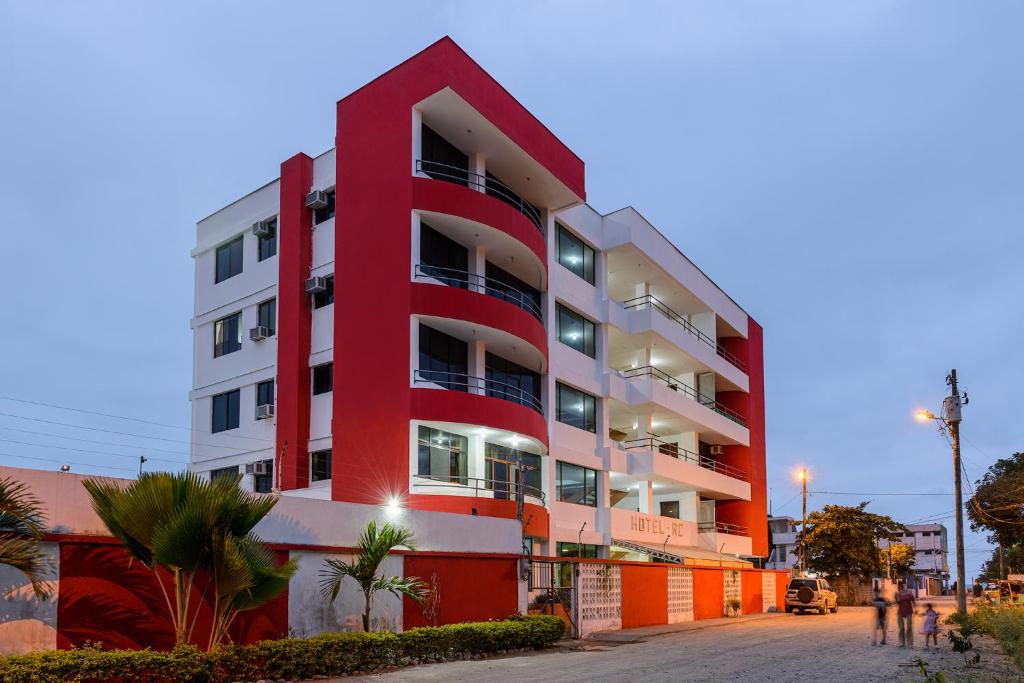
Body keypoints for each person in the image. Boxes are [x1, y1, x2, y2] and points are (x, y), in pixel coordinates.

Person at [895, 582, 917, 647]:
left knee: (909, 627)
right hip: (901, 611)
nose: (902, 586)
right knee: (901, 628)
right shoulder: (898, 593)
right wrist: (896, 599)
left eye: (904, 585)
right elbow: (897, 602)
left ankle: (910, 643)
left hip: (909, 610)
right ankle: (902, 642)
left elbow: (913, 601)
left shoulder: (909, 592)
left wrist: (916, 609)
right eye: (901, 585)